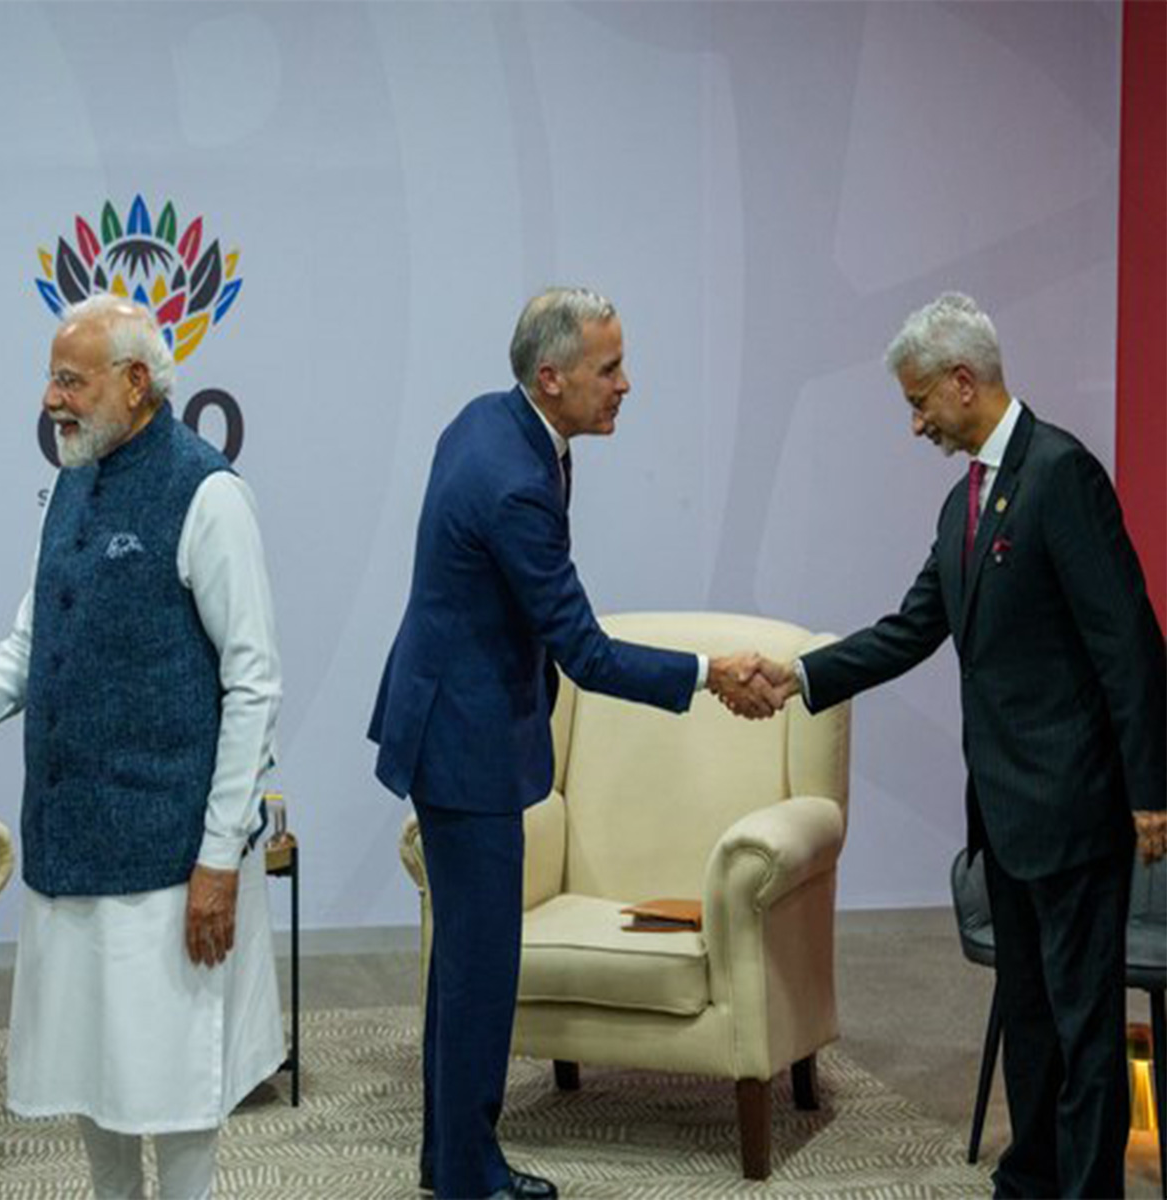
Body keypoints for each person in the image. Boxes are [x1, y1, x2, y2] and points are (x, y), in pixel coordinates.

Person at [367, 287, 777, 1200]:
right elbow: (584, 651)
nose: (627, 385)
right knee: (480, 968)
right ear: (550, 378)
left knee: (466, 962)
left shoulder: (495, 423)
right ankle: (470, 1174)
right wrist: (710, 673)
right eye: (609, 369)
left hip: (453, 714)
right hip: (462, 737)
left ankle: (449, 1159)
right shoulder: (513, 480)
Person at [758, 292, 1166, 1198]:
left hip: (1075, 804)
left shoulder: (1062, 475)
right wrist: (801, 676)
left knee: (1082, 1020)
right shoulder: (964, 503)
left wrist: (1151, 790)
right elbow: (913, 628)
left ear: (963, 381)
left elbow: (1128, 641)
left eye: (918, 403)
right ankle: (1030, 1177)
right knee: (1029, 1014)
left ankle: (1087, 1190)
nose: (914, 425)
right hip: (1007, 811)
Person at [0, 294, 284, 1200]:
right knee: (94, 1086)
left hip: (170, 861)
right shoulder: (72, 482)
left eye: (70, 379)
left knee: (179, 1088)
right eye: (51, 378)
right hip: (72, 847)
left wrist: (220, 857)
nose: (50, 399)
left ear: (136, 383)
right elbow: (30, 647)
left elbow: (254, 683)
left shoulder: (208, 493)